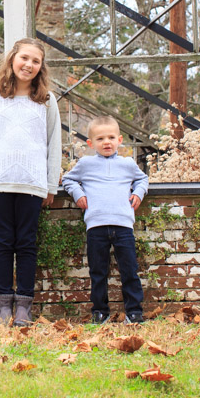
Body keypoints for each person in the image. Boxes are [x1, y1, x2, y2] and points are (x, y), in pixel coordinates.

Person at [0, 38, 62, 327]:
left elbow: (54, 143)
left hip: (32, 183)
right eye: (24, 58)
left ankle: (24, 306)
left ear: (41, 67)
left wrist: (51, 184)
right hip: (0, 182)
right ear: (12, 59)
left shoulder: (46, 101)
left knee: (26, 243)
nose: (29, 65)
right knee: (4, 243)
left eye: (35, 61)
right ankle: (3, 305)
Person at [62, 116, 149, 325]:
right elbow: (67, 179)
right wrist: (77, 193)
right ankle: (100, 311)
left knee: (129, 270)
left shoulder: (127, 164)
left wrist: (138, 193)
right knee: (98, 272)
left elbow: (142, 179)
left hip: (123, 225)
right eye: (100, 139)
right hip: (96, 225)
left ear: (120, 140)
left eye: (111, 137)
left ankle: (134, 312)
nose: (107, 142)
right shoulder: (86, 164)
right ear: (91, 144)